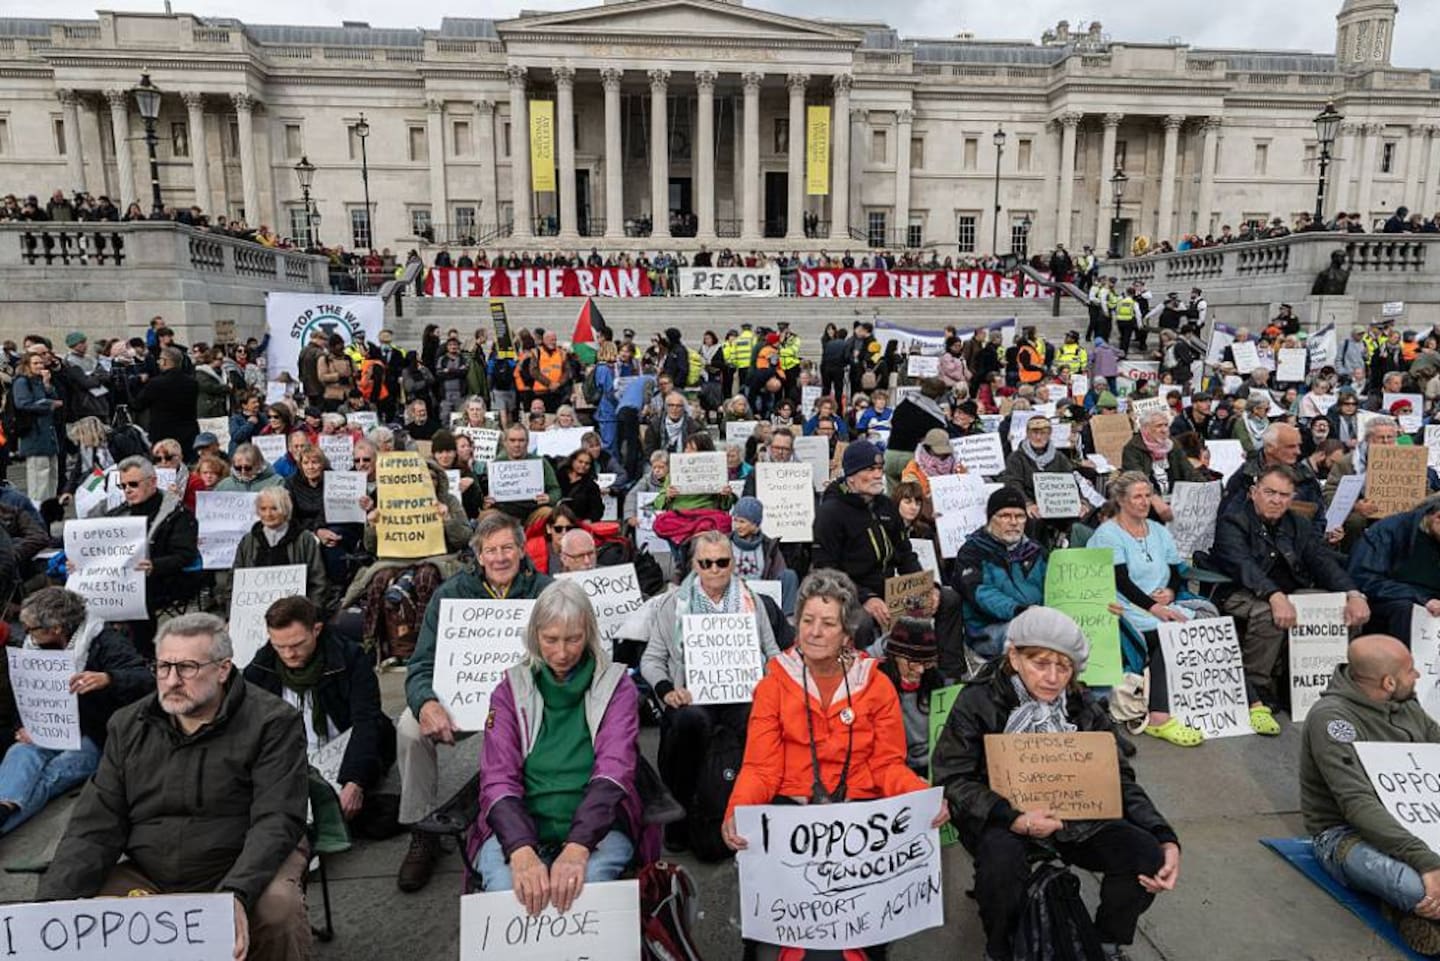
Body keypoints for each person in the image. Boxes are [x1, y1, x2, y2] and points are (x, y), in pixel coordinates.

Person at [36, 613, 311, 961]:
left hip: (242, 863)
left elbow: (277, 819)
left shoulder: (272, 721)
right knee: (75, 915)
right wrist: (48, 910)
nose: (171, 680)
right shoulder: (127, 724)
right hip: (151, 870)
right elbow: (94, 826)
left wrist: (237, 893)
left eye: (187, 668)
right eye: (163, 667)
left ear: (223, 669)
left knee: (277, 912)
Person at [721, 571, 952, 959]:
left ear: (847, 633)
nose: (813, 632)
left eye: (827, 623)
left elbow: (887, 765)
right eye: (807, 621)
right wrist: (735, 813)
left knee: (857, 932)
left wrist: (921, 797)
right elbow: (761, 768)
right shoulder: (773, 685)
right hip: (791, 817)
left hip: (856, 819)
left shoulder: (875, 685)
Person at [932, 607, 1181, 961]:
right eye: (1040, 663)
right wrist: (1012, 817)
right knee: (1000, 866)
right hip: (1004, 817)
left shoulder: (1080, 703)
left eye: (1063, 667)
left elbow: (1118, 777)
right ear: (1014, 657)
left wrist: (1164, 836)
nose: (1052, 677)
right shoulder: (978, 700)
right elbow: (952, 776)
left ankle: (1106, 942)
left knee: (1145, 854)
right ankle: (1001, 949)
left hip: (1076, 819)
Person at [396, 512, 554, 891]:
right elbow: (420, 664)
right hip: (461, 700)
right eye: (490, 550)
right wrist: (426, 704)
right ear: (478, 556)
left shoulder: (547, 591)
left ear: (521, 550)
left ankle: (537, 819)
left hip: (529, 703)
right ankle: (423, 830)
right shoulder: (449, 594)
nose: (500, 558)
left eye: (507, 548)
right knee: (408, 729)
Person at [471, 579, 649, 913]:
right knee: (507, 894)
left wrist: (578, 846)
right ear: (535, 635)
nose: (562, 652)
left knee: (587, 892)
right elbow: (498, 777)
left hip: (599, 825)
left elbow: (615, 768)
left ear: (589, 634)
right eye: (550, 639)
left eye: (573, 639)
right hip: (524, 821)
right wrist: (522, 850)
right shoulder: (510, 689)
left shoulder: (616, 686)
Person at [1090, 472, 1277, 744]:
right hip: (1128, 608)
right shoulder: (1108, 534)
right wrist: (1153, 607)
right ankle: (1158, 716)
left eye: (1147, 496)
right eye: (1137, 497)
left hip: (1165, 604)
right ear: (1120, 499)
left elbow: (1177, 569)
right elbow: (1120, 580)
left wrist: (1170, 590)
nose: (1144, 502)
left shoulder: (1158, 530)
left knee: (1213, 635)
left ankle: (1253, 704)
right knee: (1170, 638)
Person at [640, 531, 781, 853]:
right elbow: (651, 659)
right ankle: (680, 814)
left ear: (733, 564)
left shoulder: (752, 601)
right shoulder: (673, 605)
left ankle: (743, 811)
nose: (715, 569)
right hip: (692, 695)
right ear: (694, 564)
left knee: (759, 721)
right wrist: (666, 690)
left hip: (741, 693)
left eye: (722, 562)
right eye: (706, 563)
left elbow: (772, 651)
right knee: (690, 723)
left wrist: (768, 677)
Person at [1301, 634, 1440, 955]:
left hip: (1420, 820)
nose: (1417, 675)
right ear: (1388, 682)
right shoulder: (1333, 719)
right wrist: (1426, 861)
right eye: (1410, 670)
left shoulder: (1405, 703)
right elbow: (1358, 806)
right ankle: (1403, 906)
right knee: (1417, 886)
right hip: (1347, 834)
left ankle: (1414, 911)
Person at [1211, 465, 1369, 707]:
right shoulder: (1233, 521)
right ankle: (1256, 685)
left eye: (1284, 495)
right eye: (1269, 492)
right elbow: (1242, 566)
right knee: (1267, 615)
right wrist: (1274, 595)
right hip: (1239, 589)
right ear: (1254, 492)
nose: (1276, 500)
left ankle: (1330, 680)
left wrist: (1353, 594)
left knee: (1341, 608)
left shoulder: (1298, 523)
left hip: (1291, 591)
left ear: (1292, 498)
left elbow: (1322, 562)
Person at [0, 588, 150, 834]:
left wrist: (108, 678)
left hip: (95, 734)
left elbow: (144, 680)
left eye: (31, 629)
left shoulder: (105, 642)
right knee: (20, 753)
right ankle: (4, 805)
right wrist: (24, 725)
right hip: (50, 728)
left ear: (56, 628)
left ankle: (5, 815)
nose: (25, 634)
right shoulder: (33, 648)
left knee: (53, 774)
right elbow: (27, 694)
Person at [244, 596, 396, 824]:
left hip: (342, 750)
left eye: (296, 645)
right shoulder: (260, 668)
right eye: (279, 647)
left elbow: (367, 721)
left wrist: (355, 781)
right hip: (292, 756)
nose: (288, 655)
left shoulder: (349, 658)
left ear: (316, 630)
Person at [96, 455, 201, 657]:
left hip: (166, 578)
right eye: (123, 486)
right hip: (124, 577)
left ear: (152, 482)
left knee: (137, 595)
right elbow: (100, 549)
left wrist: (154, 565)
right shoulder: (118, 513)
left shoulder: (177, 513)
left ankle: (142, 655)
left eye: (133, 484)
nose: (127, 490)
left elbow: (185, 555)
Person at [950, 487, 1049, 671]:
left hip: (1038, 621)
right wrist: (1020, 611)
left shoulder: (1037, 552)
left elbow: (1055, 588)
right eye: (1005, 516)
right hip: (988, 631)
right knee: (1032, 636)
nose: (1013, 522)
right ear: (990, 519)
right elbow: (981, 593)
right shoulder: (972, 551)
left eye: (1020, 516)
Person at [1348, 496, 1440, 641]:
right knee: (1406, 609)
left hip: (1431, 600)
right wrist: (1422, 599)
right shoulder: (1389, 530)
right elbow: (1366, 579)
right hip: (1396, 599)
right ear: (1437, 518)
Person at [232, 487, 330, 613]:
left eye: (274, 508)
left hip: (296, 613)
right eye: (263, 509)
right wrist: (233, 614)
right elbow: (235, 580)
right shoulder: (248, 540)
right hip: (254, 614)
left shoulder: (304, 539)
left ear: (285, 510)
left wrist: (312, 612)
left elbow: (318, 580)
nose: (268, 514)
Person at [877, 617, 946, 778]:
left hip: (933, 766)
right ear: (895, 657)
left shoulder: (935, 681)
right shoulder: (878, 687)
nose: (921, 670)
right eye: (913, 662)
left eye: (926, 663)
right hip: (896, 771)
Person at [477, 424, 561, 523]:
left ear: (527, 442)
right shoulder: (495, 464)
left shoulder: (540, 462)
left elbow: (555, 489)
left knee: (548, 512)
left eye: (521, 440)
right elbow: (485, 494)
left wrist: (549, 498)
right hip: (503, 512)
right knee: (485, 516)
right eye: (512, 440)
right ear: (505, 443)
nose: (517, 444)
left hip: (533, 510)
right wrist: (486, 501)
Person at [728, 497, 797, 617]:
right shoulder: (724, 542)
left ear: (755, 524)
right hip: (731, 593)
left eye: (742, 521)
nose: (737, 526)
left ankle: (787, 621)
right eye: (735, 520)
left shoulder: (768, 546)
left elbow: (779, 572)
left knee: (789, 576)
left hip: (761, 594)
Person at [12, 351, 63, 503]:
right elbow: (22, 404)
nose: (40, 366)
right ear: (27, 365)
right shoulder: (22, 382)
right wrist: (49, 405)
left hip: (48, 433)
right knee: (39, 475)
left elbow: (53, 397)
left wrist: (47, 384)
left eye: (41, 363)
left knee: (52, 474)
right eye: (35, 363)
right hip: (34, 433)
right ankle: (38, 508)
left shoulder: (40, 381)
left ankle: (50, 507)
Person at [132, 346, 200, 456]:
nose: (158, 363)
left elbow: (138, 404)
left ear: (165, 362)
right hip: (188, 433)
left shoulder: (156, 383)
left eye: (160, 360)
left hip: (163, 434)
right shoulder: (192, 382)